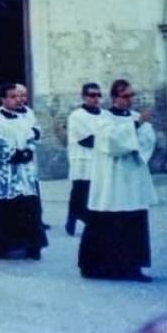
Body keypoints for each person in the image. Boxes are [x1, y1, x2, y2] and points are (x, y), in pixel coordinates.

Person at [78, 79, 156, 282]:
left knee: (133, 220)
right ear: (114, 98)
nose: (130, 100)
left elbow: (148, 140)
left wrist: (136, 137)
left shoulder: (137, 117)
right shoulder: (103, 119)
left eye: (132, 95)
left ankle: (133, 267)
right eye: (126, 96)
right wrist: (135, 129)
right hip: (111, 179)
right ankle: (101, 266)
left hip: (132, 174)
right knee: (109, 219)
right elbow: (109, 142)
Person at [0, 83, 48, 260]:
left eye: (18, 96)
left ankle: (30, 246)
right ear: (3, 99)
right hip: (3, 176)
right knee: (2, 210)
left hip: (23, 174)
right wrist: (13, 154)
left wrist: (28, 150)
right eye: (12, 97)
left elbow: (32, 135)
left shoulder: (24, 117)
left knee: (28, 205)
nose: (17, 100)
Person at [65, 82, 103, 236]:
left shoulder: (103, 115)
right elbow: (85, 139)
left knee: (95, 189)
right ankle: (74, 217)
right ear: (84, 97)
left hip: (98, 158)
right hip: (82, 158)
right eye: (92, 95)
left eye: (98, 95)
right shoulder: (77, 116)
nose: (96, 99)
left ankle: (86, 216)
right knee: (80, 190)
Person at [15, 83, 49, 230]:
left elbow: (37, 129)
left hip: (30, 156)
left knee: (34, 189)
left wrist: (33, 133)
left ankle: (37, 220)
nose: (22, 98)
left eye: (24, 95)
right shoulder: (7, 113)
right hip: (18, 157)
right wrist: (30, 134)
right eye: (19, 95)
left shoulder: (29, 112)